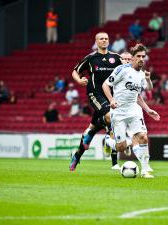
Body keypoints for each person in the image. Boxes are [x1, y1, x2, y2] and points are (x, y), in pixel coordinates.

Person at [102, 44, 160, 178]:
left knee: (143, 137)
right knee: (121, 147)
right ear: (132, 58)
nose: (141, 59)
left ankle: (145, 169)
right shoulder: (121, 70)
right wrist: (111, 100)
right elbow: (105, 84)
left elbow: (141, 94)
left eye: (143, 57)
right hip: (119, 111)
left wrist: (148, 109)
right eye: (138, 56)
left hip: (134, 110)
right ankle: (108, 141)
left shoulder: (141, 74)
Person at [69, 32, 123, 171]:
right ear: (96, 41)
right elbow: (75, 71)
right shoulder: (91, 58)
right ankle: (109, 145)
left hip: (111, 96)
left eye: (106, 38)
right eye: (101, 39)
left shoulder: (116, 57)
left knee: (92, 129)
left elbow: (127, 70)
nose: (104, 40)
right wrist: (79, 80)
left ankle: (76, 156)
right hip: (95, 94)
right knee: (110, 117)